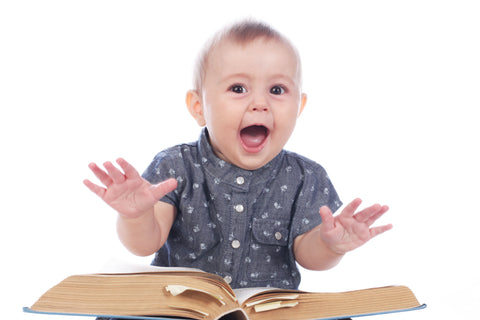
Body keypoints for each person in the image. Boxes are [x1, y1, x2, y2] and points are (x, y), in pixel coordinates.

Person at [84, 20, 392, 292]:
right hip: (182, 310)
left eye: (277, 90)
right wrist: (135, 215)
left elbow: (309, 256)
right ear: (198, 107)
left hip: (268, 315)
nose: (260, 103)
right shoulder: (175, 166)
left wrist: (330, 245)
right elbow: (144, 244)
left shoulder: (305, 178)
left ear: (299, 106)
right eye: (238, 88)